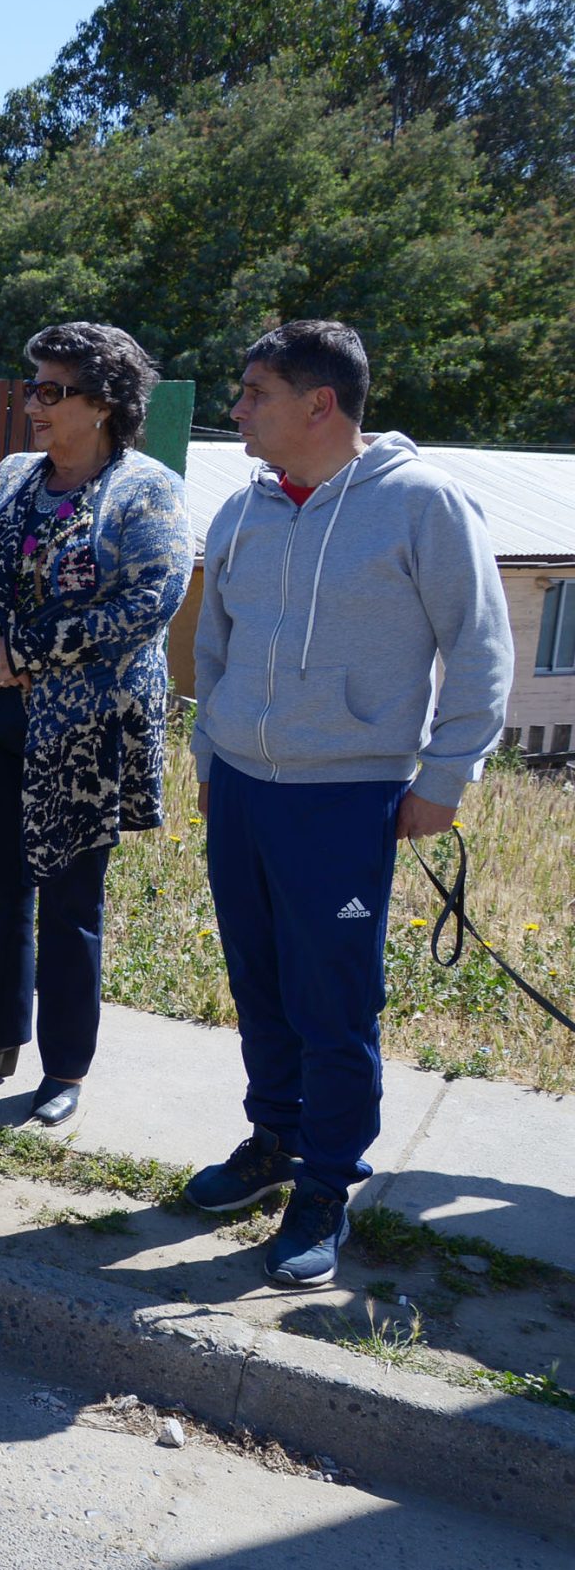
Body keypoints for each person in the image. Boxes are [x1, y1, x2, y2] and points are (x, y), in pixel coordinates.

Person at [182, 320, 513, 1290]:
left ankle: (326, 1182)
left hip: (347, 796)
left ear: (318, 404)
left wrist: (443, 780)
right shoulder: (244, 508)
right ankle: (272, 1139)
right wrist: (209, 752)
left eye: (254, 393)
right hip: (243, 786)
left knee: (333, 997)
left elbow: (482, 649)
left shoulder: (420, 505)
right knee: (258, 980)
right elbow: (215, 644)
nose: (237, 410)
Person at [0, 324, 191, 1130]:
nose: (30, 403)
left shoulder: (147, 489)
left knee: (72, 907)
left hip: (85, 738)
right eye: (31, 385)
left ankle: (65, 1066)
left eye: (50, 390)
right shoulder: (10, 475)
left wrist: (25, 652)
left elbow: (151, 601)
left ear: (103, 404)